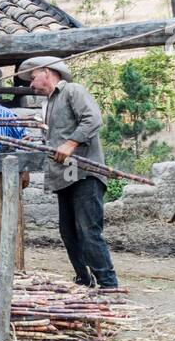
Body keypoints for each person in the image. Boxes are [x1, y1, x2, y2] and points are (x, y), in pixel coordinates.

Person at [18, 57, 118, 289]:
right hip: (65, 177)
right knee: (69, 232)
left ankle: (109, 284)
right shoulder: (50, 103)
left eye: (33, 78)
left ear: (46, 72)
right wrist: (37, 141)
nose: (31, 85)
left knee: (87, 230)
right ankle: (84, 279)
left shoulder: (73, 90)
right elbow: (58, 137)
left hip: (84, 173)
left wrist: (71, 144)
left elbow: (93, 119)